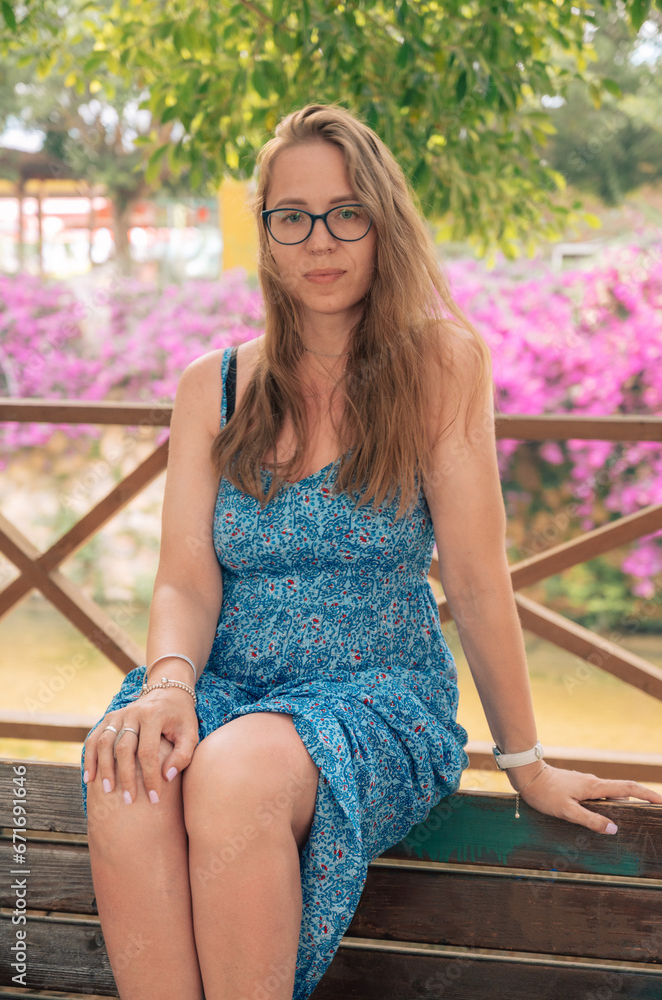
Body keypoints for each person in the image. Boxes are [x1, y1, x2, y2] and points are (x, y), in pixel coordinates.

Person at [81, 103, 662, 1000]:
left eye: (346, 212)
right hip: (225, 681)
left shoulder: (437, 366)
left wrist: (525, 761)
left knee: (233, 775)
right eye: (292, 216)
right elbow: (186, 578)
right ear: (266, 234)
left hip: (376, 692)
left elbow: (473, 581)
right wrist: (167, 684)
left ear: (381, 219)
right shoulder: (215, 386)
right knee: (126, 773)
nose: (321, 240)